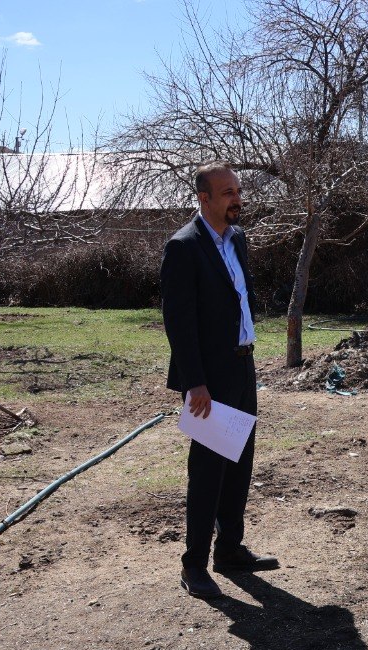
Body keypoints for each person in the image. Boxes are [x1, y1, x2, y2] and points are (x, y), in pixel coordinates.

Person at [161, 162, 279, 599]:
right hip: (209, 378)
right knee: (209, 469)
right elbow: (179, 322)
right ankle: (194, 564)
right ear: (203, 199)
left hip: (242, 366)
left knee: (240, 462)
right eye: (227, 192)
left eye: (238, 191)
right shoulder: (184, 247)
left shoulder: (238, 240)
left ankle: (229, 549)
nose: (237, 198)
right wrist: (195, 383)